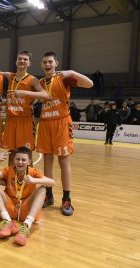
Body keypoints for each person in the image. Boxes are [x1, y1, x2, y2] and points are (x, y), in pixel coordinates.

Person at [37, 51, 93, 216]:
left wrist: (72, 72)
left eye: (50, 62)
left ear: (56, 63)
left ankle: (67, 199)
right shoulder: (39, 82)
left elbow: (90, 84)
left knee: (64, 161)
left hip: (61, 123)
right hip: (45, 123)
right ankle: (48, 195)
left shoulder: (64, 78)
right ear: (41, 65)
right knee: (47, 161)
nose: (47, 65)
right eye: (45, 62)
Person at [0, 147, 54, 246]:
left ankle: (26, 226)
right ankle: (7, 221)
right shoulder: (9, 170)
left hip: (25, 207)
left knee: (42, 189)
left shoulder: (33, 172)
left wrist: (35, 180)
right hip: (10, 206)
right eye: (17, 159)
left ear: (29, 161)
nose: (20, 162)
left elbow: (51, 182)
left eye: (23, 160)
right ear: (14, 160)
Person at [0, 50, 48, 166]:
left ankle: (28, 182)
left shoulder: (32, 79)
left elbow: (45, 95)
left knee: (26, 153)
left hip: (25, 120)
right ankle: (11, 180)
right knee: (11, 152)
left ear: (29, 63)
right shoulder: (10, 76)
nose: (22, 61)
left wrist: (25, 93)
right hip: (11, 120)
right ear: (16, 61)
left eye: (25, 59)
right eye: (20, 58)